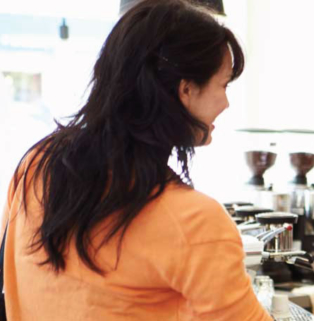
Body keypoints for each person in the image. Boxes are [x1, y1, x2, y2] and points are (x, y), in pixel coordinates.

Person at [0, 0, 272, 320]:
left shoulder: (36, 164)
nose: (226, 103)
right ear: (185, 89)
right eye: (223, 85)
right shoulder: (194, 221)